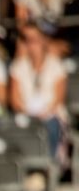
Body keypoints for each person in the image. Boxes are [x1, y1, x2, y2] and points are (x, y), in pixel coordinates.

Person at [10, 21, 69, 161]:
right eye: (27, 40)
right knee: (19, 127)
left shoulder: (56, 64)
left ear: (43, 40)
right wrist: (28, 113)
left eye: (34, 40)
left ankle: (50, 164)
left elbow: (59, 98)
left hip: (51, 114)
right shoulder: (18, 66)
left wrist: (44, 113)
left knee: (51, 125)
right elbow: (15, 100)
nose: (31, 45)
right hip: (26, 115)